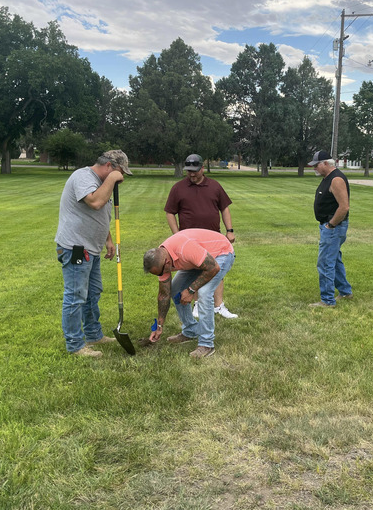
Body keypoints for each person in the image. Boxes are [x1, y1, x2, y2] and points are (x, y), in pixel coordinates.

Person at [54, 150, 131, 358]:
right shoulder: (83, 177)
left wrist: (107, 240)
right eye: (120, 173)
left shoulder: (102, 182)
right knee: (75, 296)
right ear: (108, 166)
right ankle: (75, 345)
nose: (122, 178)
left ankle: (93, 334)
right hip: (76, 247)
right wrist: (113, 179)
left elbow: (99, 213)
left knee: (93, 293)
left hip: (92, 247)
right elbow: (95, 202)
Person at [164, 153, 238, 319]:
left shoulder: (214, 186)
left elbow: (224, 208)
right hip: (190, 242)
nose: (191, 174)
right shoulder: (178, 188)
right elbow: (170, 212)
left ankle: (219, 306)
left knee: (216, 271)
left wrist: (230, 230)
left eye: (195, 171)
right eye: (189, 171)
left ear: (202, 168)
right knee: (197, 271)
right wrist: (177, 236)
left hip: (214, 239)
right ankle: (197, 304)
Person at [143, 228, 235, 359]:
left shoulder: (185, 248)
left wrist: (191, 290)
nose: (161, 275)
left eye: (161, 272)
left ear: (167, 263)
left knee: (204, 292)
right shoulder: (161, 260)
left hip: (221, 254)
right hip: (198, 261)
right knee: (175, 290)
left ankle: (206, 344)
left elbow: (213, 267)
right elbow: (164, 295)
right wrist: (159, 325)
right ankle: (190, 331)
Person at [308, 150, 353, 307]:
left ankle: (327, 300)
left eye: (316, 165)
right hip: (330, 227)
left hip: (334, 228)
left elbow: (344, 207)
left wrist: (331, 225)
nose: (314, 168)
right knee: (334, 260)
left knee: (325, 263)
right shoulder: (328, 178)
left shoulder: (336, 179)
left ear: (326, 163)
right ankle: (345, 291)